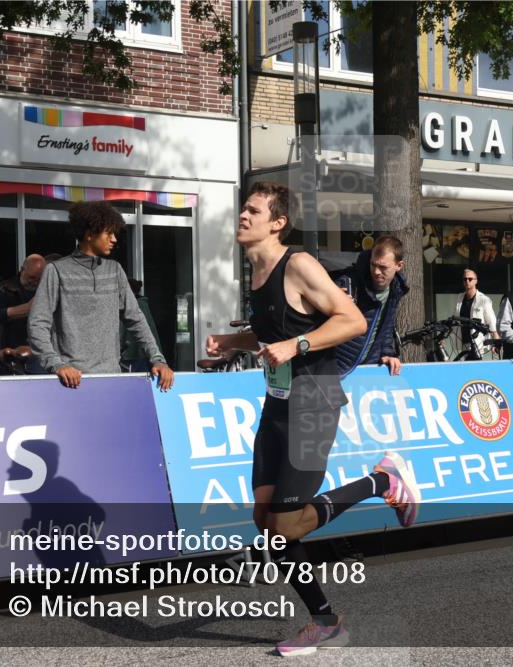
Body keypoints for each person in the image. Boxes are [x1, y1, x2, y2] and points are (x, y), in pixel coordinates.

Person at [206, 182, 422, 657]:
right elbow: (268, 334)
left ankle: (381, 481)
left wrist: (298, 345)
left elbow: (352, 320)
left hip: (313, 401)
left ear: (277, 222)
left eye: (253, 210)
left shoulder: (298, 265)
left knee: (284, 527)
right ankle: (325, 622)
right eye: (243, 209)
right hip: (278, 404)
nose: (243, 216)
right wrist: (229, 343)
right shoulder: (258, 274)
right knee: (266, 520)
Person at [28, 200, 174, 391]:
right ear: (89, 234)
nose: (114, 239)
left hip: (111, 378)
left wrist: (157, 359)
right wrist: (57, 364)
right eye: (109, 233)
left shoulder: (114, 270)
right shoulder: (56, 271)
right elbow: (37, 323)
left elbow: (136, 319)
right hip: (70, 383)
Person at [330, 235, 409, 377]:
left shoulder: (397, 289)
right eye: (373, 264)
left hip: (368, 369)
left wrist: (387, 353)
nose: (377, 271)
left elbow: (386, 326)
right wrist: (331, 305)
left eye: (383, 267)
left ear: (399, 266)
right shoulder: (348, 282)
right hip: (337, 369)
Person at [0, 254, 46, 373]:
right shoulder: (4, 289)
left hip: (38, 351)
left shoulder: (44, 289)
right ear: (22, 269)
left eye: (39, 278)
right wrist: (27, 308)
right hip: (9, 350)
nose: (35, 282)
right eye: (32, 277)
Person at [454, 268, 498, 359]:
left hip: (478, 342)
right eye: (465, 279)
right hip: (463, 341)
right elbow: (455, 318)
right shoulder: (459, 298)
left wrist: (496, 342)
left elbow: (491, 321)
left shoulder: (483, 299)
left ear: (476, 281)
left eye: (470, 279)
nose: (467, 281)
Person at [120, 278, 163, 372]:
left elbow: (123, 330)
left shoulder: (135, 305)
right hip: (144, 354)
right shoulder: (143, 304)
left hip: (130, 355)